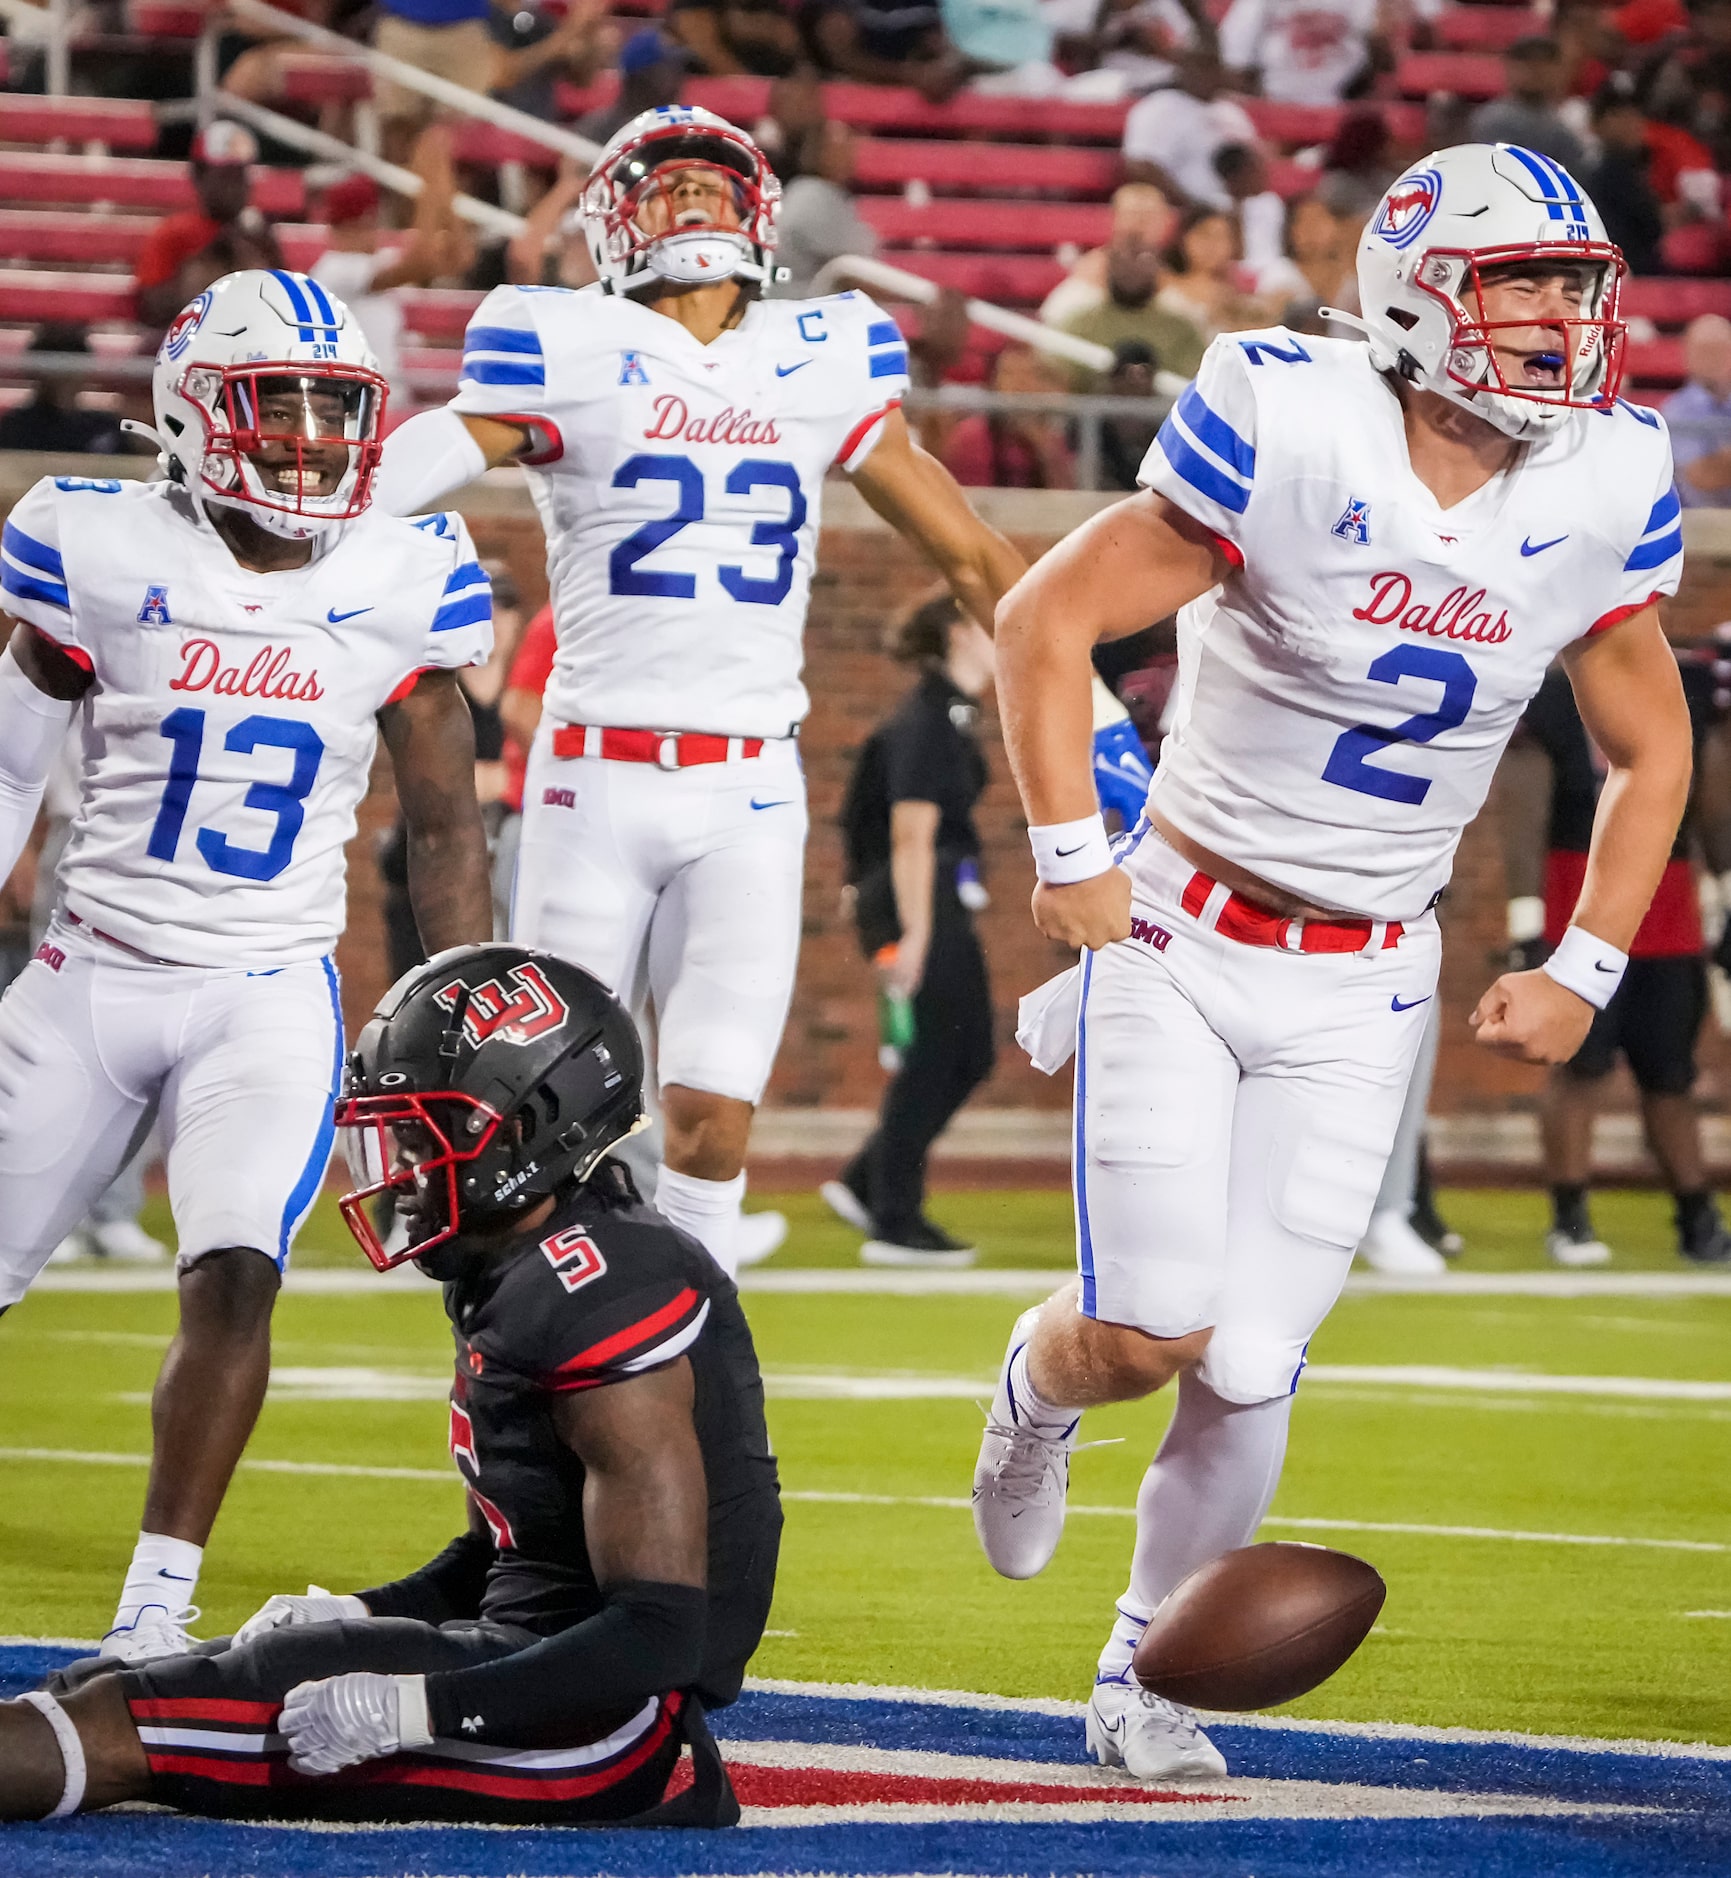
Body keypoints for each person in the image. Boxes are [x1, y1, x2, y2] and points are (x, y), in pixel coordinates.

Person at [974, 145, 1694, 1781]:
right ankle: (1034, 1383)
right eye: (1523, 282)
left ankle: (1139, 1671)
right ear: (1419, 287)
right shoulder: (1293, 419)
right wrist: (1071, 852)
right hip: (1180, 928)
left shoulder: (1597, 475)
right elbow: (1041, 616)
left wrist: (1584, 962)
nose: (1560, 320)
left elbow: (1650, 752)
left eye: (1578, 288)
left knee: (1248, 1365)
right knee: (1149, 1322)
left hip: (1367, 974)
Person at [371, 105, 1025, 1281]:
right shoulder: (561, 345)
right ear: (614, 223)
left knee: (716, 1120)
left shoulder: (820, 356)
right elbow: (441, 448)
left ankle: (692, 1356)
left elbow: (974, 556)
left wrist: (1070, 685)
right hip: (592, 775)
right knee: (535, 1108)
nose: (691, 205)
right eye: (664, 186)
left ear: (760, 216)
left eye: (713, 187)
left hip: (748, 785)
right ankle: (522, 1350)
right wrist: (334, 516)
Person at [0, 944, 781, 1830]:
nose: (397, 1166)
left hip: (588, 1729)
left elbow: (663, 1633)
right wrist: (358, 1610)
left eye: (422, 1129)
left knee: (98, 1726)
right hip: (537, 1680)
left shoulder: (600, 1287)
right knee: (98, 1684)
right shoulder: (527, 1257)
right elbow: (520, 1556)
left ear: (527, 1125)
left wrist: (415, 1711)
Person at [0, 269, 495, 1665]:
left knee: (235, 1266)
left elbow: (447, 830)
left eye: (335, 413)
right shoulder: (91, 545)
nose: (310, 444)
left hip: (269, 985)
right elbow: (7, 767)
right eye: (277, 408)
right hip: (90, 970)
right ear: (194, 408)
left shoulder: (401, 572)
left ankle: (158, 1597)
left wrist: (465, 1015)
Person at [1502, 662, 1731, 1267]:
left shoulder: (1683, 688)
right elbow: (1526, 817)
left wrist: (1727, 898)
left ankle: (1697, 1215)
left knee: (1670, 1072)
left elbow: (1710, 802)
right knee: (1581, 1068)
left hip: (1668, 908)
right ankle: (1571, 1214)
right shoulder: (1552, 697)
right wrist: (1526, 925)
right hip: (1576, 904)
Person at [824, 592, 998, 1264]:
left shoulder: (947, 718)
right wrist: (916, 932)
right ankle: (893, 1215)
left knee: (966, 1050)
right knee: (936, 1051)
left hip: (921, 898)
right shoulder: (924, 721)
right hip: (913, 901)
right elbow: (909, 836)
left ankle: (869, 1181)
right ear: (957, 632)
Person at [310, 130, 471, 408]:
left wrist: (443, 181)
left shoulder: (378, 260)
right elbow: (422, 259)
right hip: (353, 402)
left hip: (389, 397)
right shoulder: (331, 270)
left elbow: (458, 258)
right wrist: (430, 183)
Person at [133, 122, 284, 331]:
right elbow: (148, 306)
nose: (236, 185)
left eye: (241, 174)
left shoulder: (260, 235)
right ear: (198, 174)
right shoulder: (175, 233)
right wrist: (209, 264)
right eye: (225, 175)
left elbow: (283, 300)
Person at [1058, 232, 1206, 389]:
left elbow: (1198, 386)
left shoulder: (1182, 330)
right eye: (1122, 259)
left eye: (1142, 259)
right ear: (1108, 264)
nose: (1131, 269)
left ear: (1159, 267)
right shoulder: (1078, 325)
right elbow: (1058, 384)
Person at [1121, 48, 1262, 212]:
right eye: (1201, 65)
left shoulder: (1232, 112)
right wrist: (1191, 206)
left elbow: (1255, 167)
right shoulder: (1159, 107)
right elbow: (1141, 167)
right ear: (1183, 68)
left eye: (1213, 65)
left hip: (1231, 209)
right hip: (1178, 209)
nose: (1208, 73)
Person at [1039, 182, 1177, 330]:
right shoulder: (1090, 272)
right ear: (1114, 218)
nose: (1140, 223)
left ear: (1165, 221)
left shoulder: (1180, 268)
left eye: (1149, 215)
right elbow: (1055, 318)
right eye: (1132, 214)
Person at [941, 343, 1075, 488]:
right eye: (1009, 373)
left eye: (1029, 374)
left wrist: (1044, 452)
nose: (1019, 383)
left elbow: (1066, 495)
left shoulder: (1052, 440)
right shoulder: (972, 436)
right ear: (995, 382)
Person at [770, 119, 878, 299]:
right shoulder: (813, 197)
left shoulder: (814, 191)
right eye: (839, 150)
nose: (849, 156)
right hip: (793, 307)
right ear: (817, 154)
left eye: (849, 149)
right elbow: (856, 273)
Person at [1218, 0, 1384, 107]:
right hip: (1277, 104)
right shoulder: (1256, 4)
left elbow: (1381, 57)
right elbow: (1234, 59)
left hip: (1343, 105)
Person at [0, 325, 132, 457]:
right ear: (33, 372)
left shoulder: (105, 427)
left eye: (74, 362)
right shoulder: (16, 427)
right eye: (51, 365)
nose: (64, 376)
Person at [1467, 38, 1591, 176]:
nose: (1536, 70)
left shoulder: (1568, 119)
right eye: (1527, 62)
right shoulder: (1493, 119)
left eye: (1544, 63)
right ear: (1509, 67)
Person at [1667, 314, 1731, 507]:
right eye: (1705, 350)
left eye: (1720, 349)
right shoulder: (1674, 412)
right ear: (1687, 355)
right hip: (1698, 523)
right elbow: (1700, 477)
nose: (1713, 358)